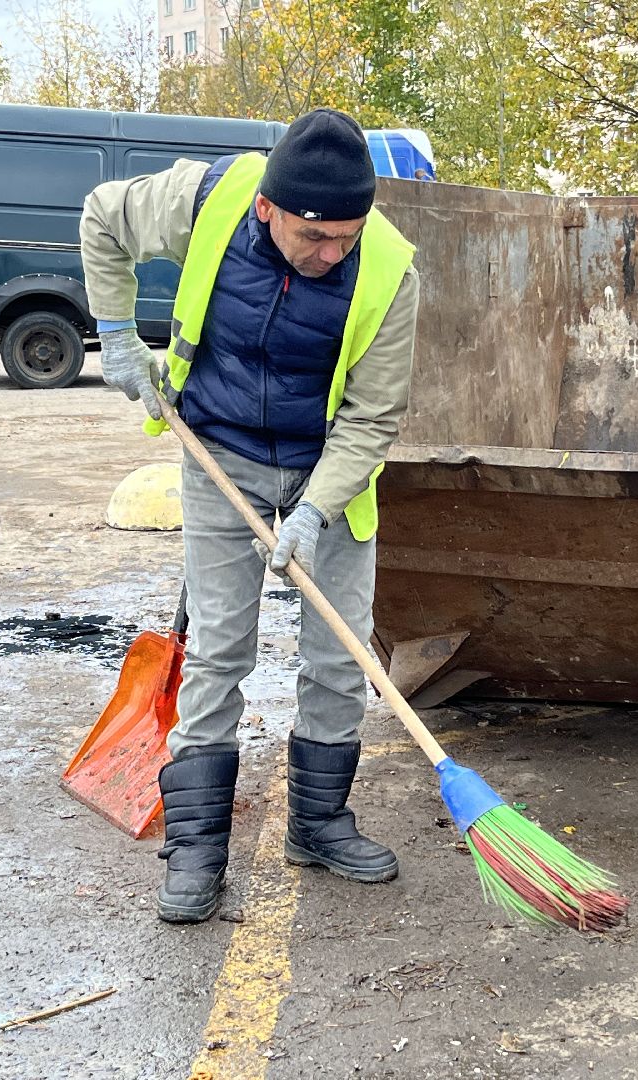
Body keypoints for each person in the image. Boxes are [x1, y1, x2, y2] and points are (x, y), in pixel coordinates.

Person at [79, 109, 420, 923]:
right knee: (221, 649)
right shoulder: (208, 200)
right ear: (268, 209)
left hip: (326, 465)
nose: (333, 253)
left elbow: (373, 419)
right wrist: (118, 335)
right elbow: (101, 216)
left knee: (339, 653)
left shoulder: (392, 273)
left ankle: (319, 822)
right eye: (316, 237)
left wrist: (314, 510)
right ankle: (195, 851)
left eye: (348, 235)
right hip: (217, 450)